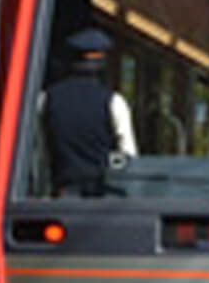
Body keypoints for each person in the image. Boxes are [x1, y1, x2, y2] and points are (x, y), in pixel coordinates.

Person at [41, 27, 137, 196]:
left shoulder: (46, 99)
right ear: (102, 63)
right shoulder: (114, 102)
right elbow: (129, 157)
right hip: (102, 198)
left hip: (62, 194)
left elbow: (39, 150)